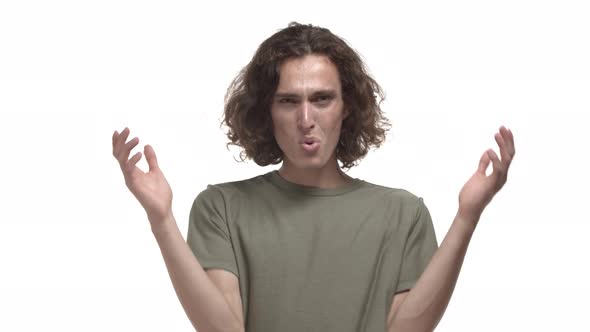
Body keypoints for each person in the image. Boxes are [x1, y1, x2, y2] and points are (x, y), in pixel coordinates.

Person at [112, 22, 515, 332]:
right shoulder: (221, 207)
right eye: (288, 101)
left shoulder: (402, 213)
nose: (307, 120)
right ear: (265, 112)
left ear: (347, 107)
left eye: (322, 99)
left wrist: (467, 217)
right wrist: (161, 220)